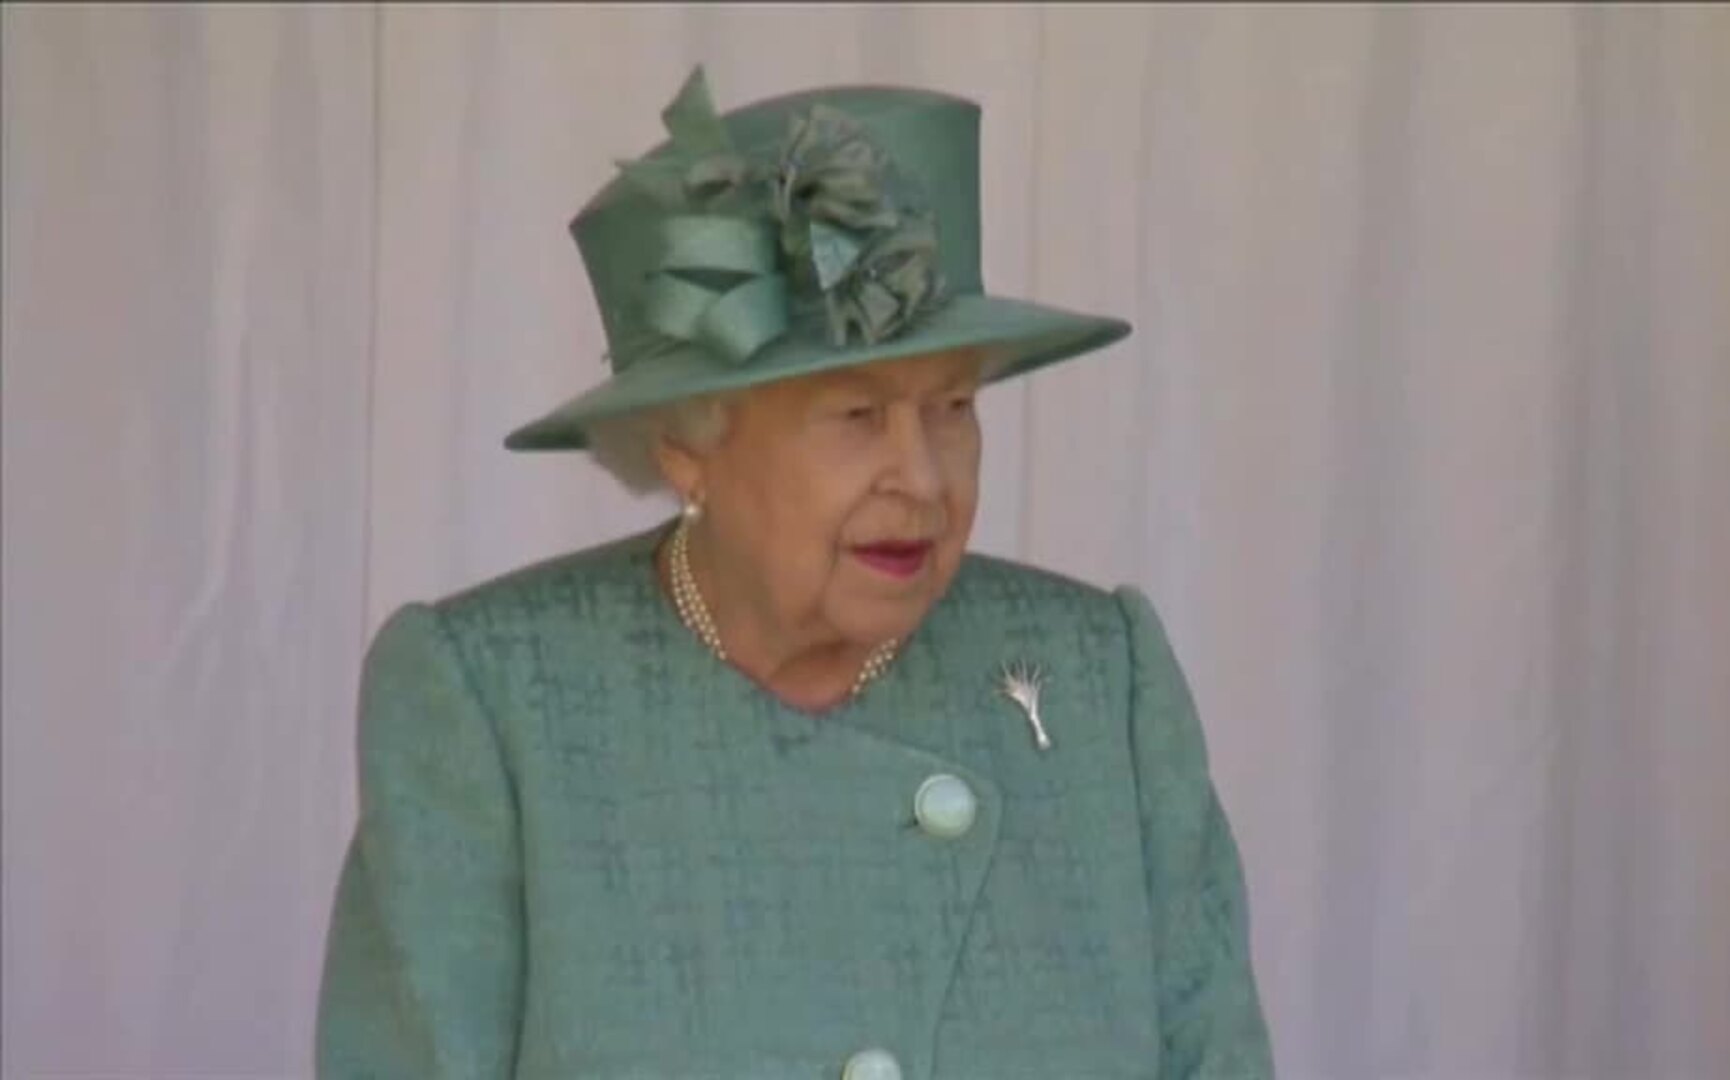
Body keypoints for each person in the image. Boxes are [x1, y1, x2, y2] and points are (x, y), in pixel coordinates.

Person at [316, 66, 1273, 1080]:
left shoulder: (1096, 677)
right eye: (857, 416)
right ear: (690, 446)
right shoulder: (494, 700)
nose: (921, 476)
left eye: (952, 408)